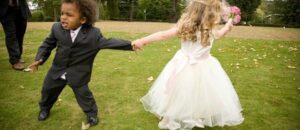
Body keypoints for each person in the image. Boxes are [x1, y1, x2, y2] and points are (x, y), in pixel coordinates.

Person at [132, 0, 244, 129]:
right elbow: (219, 34)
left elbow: (162, 35)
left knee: (179, 91)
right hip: (204, 66)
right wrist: (227, 27)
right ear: (210, 13)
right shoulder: (210, 29)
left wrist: (142, 41)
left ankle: (181, 115)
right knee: (199, 91)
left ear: (192, 11)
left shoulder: (185, 27)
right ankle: (194, 116)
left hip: (184, 64)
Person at [27, 0, 133, 126]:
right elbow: (47, 44)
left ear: (82, 19)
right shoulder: (57, 28)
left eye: (69, 15)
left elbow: (109, 42)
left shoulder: (93, 35)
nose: (63, 18)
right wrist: (40, 58)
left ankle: (91, 114)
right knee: (47, 91)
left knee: (84, 96)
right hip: (57, 70)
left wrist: (131, 45)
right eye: (62, 13)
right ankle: (45, 108)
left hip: (78, 74)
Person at [0, 0, 31, 70]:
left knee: (20, 34)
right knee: (11, 35)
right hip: (6, 10)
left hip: (21, 9)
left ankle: (18, 56)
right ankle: (15, 60)